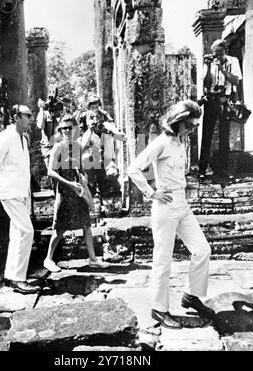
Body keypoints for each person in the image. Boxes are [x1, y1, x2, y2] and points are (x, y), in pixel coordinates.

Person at [127, 100, 215, 329]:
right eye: (189, 125)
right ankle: (159, 310)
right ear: (178, 121)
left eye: (195, 126)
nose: (192, 130)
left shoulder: (180, 142)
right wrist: (151, 192)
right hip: (165, 208)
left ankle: (192, 296)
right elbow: (133, 168)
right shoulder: (162, 142)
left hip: (182, 205)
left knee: (202, 250)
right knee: (163, 261)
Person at [44, 114, 110, 272]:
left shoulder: (78, 147)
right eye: (64, 128)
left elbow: (81, 169)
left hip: (78, 191)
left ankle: (93, 259)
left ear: (75, 129)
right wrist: (68, 184)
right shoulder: (58, 147)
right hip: (65, 191)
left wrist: (84, 178)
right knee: (60, 228)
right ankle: (48, 259)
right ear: (61, 130)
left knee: (87, 225)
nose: (67, 130)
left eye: (70, 127)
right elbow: (51, 172)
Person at [0, 104, 40, 294]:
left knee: (18, 233)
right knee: (27, 232)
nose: (31, 118)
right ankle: (19, 279)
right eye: (27, 115)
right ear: (16, 117)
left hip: (22, 192)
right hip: (9, 193)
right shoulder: (4, 138)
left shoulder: (24, 138)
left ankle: (11, 276)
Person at [198, 39, 242, 179]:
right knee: (207, 135)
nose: (217, 57)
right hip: (211, 100)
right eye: (215, 54)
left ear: (226, 51)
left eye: (220, 54)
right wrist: (208, 66)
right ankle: (202, 169)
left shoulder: (232, 61)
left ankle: (223, 169)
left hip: (225, 100)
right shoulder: (210, 62)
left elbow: (235, 80)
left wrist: (222, 68)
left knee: (225, 137)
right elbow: (206, 83)